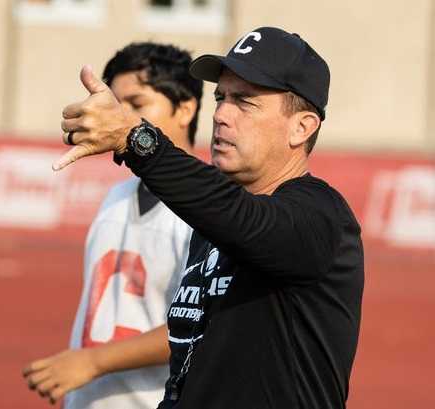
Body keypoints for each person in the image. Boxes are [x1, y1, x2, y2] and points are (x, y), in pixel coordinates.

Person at [52, 27, 364, 409]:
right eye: (220, 97)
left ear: (302, 127)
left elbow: (242, 219)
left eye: (245, 101)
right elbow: (187, 370)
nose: (221, 115)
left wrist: (134, 139)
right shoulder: (212, 228)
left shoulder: (322, 216)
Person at [23, 42, 203, 408]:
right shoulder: (116, 197)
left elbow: (200, 321)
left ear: (186, 108)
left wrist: (93, 361)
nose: (121, 117)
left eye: (137, 104)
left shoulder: (207, 210)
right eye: (117, 106)